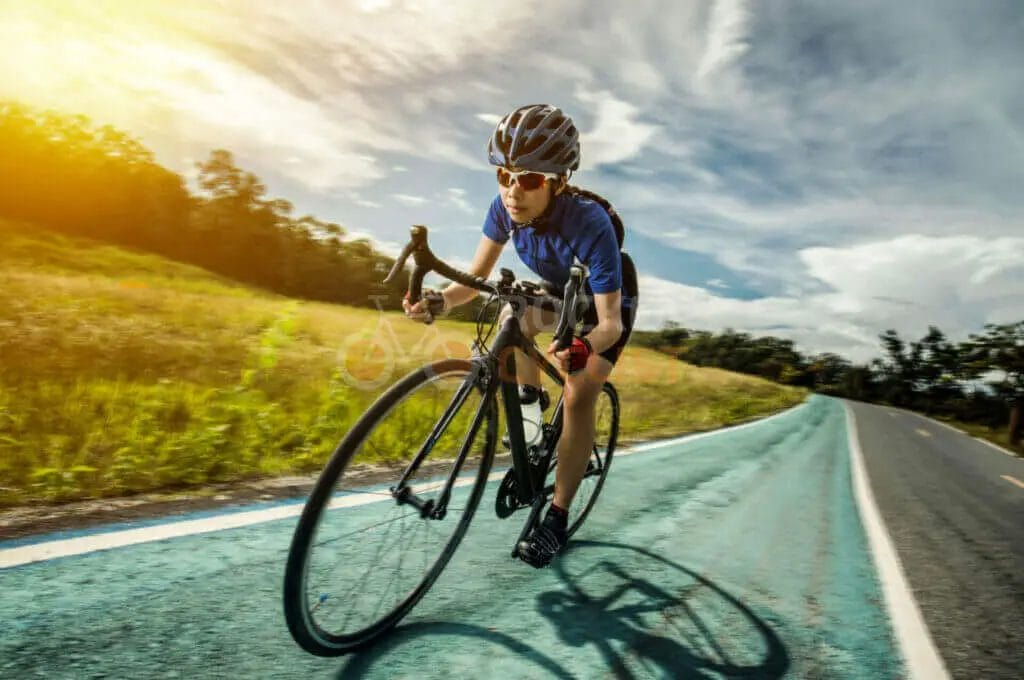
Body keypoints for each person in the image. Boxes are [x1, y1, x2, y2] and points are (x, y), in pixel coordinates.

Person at [403, 104, 639, 568]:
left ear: (558, 182)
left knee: (578, 393)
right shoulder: (504, 210)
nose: (513, 191)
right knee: (515, 314)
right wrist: (437, 302)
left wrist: (583, 345)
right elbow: (474, 278)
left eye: (529, 180)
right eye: (504, 175)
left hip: (605, 304)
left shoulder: (589, 224)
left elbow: (609, 324)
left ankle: (556, 517)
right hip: (559, 289)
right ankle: (530, 416)